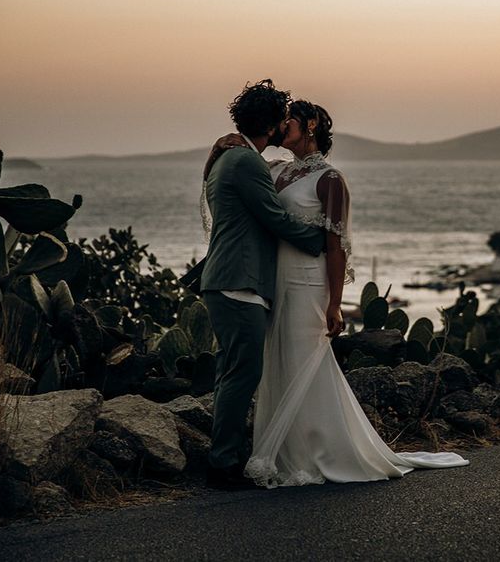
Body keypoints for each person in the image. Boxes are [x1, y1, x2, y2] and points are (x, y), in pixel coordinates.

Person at [206, 98, 469, 488]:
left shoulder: (330, 179)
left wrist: (334, 303)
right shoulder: (275, 170)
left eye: (290, 119)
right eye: (281, 119)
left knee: (304, 361)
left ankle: (319, 449)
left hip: (308, 281)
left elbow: (335, 245)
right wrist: (219, 147)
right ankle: (279, 449)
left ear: (310, 124)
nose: (283, 126)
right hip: (275, 281)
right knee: (278, 365)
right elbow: (243, 193)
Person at [199, 80, 325, 489]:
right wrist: (318, 240)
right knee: (244, 373)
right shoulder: (246, 162)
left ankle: (225, 457)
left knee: (230, 371)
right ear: (270, 126)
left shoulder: (231, 157)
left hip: (227, 279)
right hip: (239, 281)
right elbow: (274, 216)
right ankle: (222, 465)